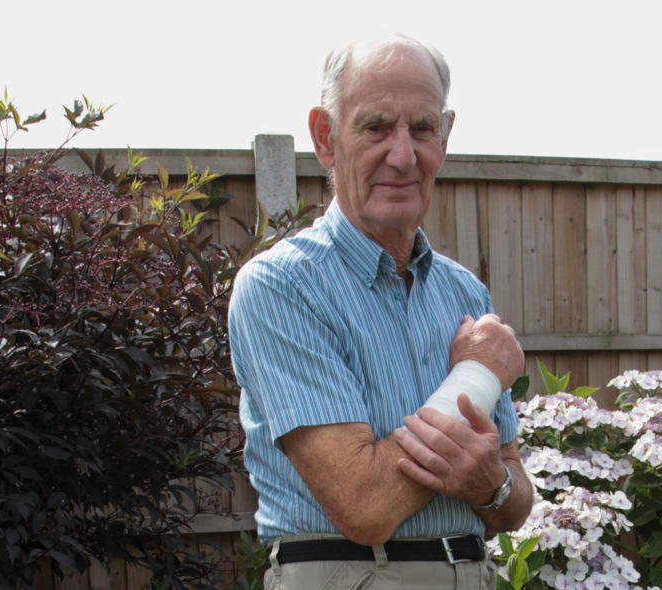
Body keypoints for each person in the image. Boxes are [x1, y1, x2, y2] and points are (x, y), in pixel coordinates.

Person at [228, 34, 533, 590]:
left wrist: (491, 486)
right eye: (375, 127)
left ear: (445, 136)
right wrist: (476, 377)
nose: (402, 154)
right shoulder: (282, 287)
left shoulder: (466, 295)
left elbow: (514, 503)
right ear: (326, 138)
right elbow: (364, 504)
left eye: (422, 128)